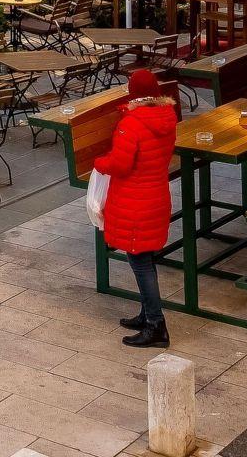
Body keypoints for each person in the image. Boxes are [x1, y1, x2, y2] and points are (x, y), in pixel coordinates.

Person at [93, 68, 179, 347]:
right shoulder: (167, 117)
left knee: (139, 262)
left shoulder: (131, 124)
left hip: (135, 202)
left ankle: (156, 325)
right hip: (156, 197)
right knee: (146, 258)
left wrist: (99, 163)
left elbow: (120, 164)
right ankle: (146, 314)